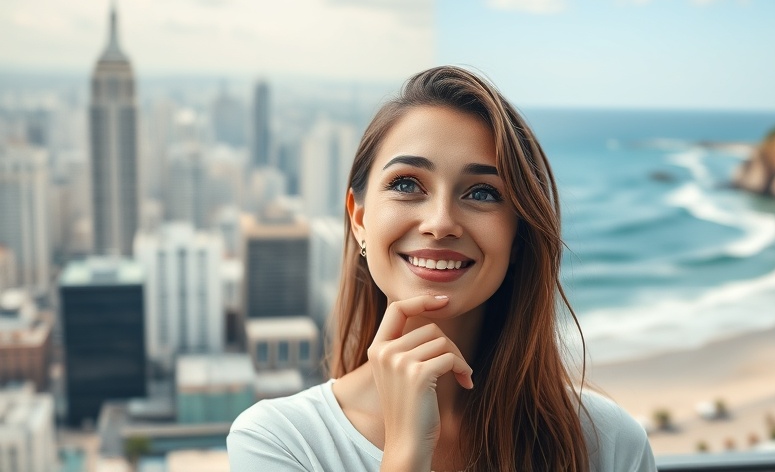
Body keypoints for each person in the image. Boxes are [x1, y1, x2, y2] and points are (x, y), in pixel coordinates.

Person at [228, 66, 656, 471]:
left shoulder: (608, 442)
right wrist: (405, 451)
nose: (440, 223)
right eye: (407, 184)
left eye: (482, 193)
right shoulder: (279, 441)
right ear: (359, 219)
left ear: (517, 235)